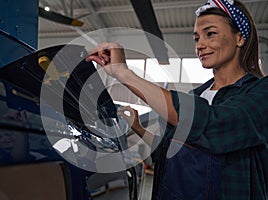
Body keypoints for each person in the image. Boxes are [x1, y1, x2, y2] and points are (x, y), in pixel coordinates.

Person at [85, 0, 268, 199]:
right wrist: (138, 127)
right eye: (197, 38)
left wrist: (124, 74)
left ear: (240, 38)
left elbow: (214, 127)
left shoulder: (260, 92)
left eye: (211, 34)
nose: (200, 45)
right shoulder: (196, 96)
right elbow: (169, 151)